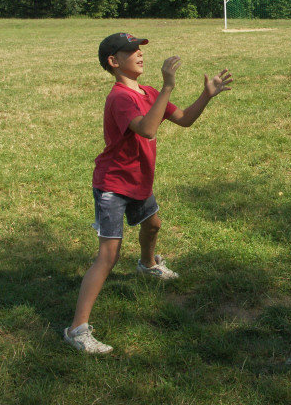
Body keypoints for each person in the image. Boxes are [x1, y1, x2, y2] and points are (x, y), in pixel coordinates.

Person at [64, 32, 233, 354]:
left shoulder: (148, 92)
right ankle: (77, 329)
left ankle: (147, 264)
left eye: (140, 49)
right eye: (131, 51)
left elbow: (184, 119)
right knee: (108, 256)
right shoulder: (120, 98)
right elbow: (147, 129)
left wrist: (206, 95)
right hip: (113, 185)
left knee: (153, 225)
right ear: (114, 62)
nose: (140, 54)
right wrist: (168, 86)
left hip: (138, 180)